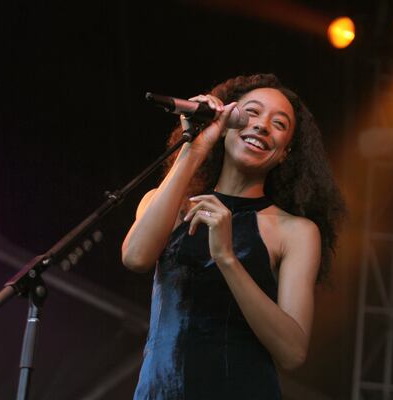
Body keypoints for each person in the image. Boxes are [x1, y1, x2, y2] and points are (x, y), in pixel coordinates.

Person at [122, 74, 345, 399]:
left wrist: (227, 258)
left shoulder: (295, 231)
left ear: (285, 152)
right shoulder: (170, 204)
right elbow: (135, 257)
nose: (262, 125)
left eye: (279, 123)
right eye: (251, 112)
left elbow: (293, 352)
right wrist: (194, 147)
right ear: (226, 121)